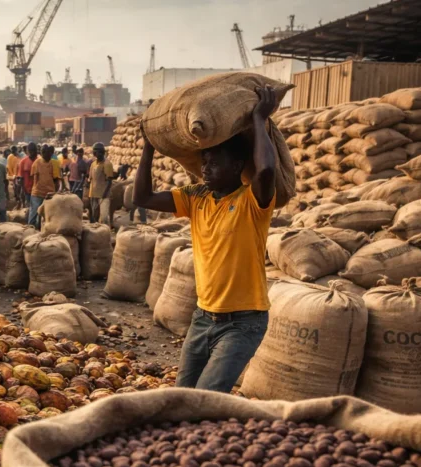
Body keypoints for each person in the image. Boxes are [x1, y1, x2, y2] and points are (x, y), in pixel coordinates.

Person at [133, 85, 279, 392]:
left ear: (238, 166)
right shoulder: (195, 198)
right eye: (204, 162)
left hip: (243, 322)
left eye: (214, 162)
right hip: (202, 318)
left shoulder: (252, 202)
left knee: (206, 396)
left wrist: (258, 119)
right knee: (184, 394)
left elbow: (265, 170)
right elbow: (142, 197)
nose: (205, 168)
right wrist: (148, 147)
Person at [29, 144, 61, 229]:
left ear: (50, 153)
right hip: (37, 193)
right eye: (42, 152)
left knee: (47, 216)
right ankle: (30, 231)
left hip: (49, 194)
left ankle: (42, 231)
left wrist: (55, 192)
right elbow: (34, 178)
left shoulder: (54, 163)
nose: (43, 154)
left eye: (46, 152)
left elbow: (56, 180)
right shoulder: (37, 163)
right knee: (34, 213)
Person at [87, 142, 115, 227]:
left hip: (103, 196)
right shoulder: (93, 164)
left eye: (97, 152)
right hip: (93, 194)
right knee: (95, 217)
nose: (95, 154)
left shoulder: (107, 164)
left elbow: (109, 181)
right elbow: (90, 179)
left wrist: (104, 194)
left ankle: (105, 235)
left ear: (102, 152)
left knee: (104, 218)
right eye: (94, 152)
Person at [19, 142, 37, 210]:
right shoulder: (23, 162)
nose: (32, 153)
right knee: (29, 208)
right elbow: (21, 178)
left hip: (38, 190)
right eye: (31, 151)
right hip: (27, 191)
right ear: (28, 151)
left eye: (34, 151)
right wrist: (23, 190)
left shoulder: (39, 161)